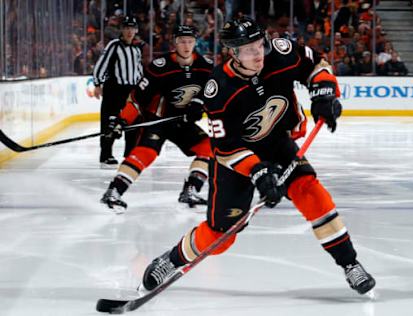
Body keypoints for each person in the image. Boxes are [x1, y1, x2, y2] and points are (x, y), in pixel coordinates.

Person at [140, 17, 376, 295]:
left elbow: (316, 65)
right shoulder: (218, 88)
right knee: (222, 234)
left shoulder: (280, 52)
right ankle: (172, 259)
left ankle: (350, 264)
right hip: (238, 158)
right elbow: (224, 147)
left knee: (310, 191)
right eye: (249, 50)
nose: (258, 54)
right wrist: (258, 171)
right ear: (233, 52)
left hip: (277, 142)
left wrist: (323, 93)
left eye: (259, 45)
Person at [100, 25, 213, 212]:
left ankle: (191, 189)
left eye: (190, 41)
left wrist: (200, 105)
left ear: (195, 43)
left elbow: (213, 95)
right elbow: (137, 99)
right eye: (182, 41)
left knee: (208, 147)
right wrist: (122, 121)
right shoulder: (160, 67)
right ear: (174, 43)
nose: (186, 45)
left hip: (182, 122)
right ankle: (113, 192)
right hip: (157, 121)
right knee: (146, 153)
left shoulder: (206, 67)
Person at [93, 16, 144, 168]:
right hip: (114, 90)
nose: (129, 31)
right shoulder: (114, 45)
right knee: (110, 123)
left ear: (136, 30)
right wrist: (97, 83)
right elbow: (101, 64)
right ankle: (106, 154)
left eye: (132, 28)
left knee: (133, 123)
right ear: (122, 30)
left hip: (131, 92)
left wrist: (142, 86)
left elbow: (138, 69)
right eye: (126, 28)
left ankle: (130, 154)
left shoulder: (136, 49)